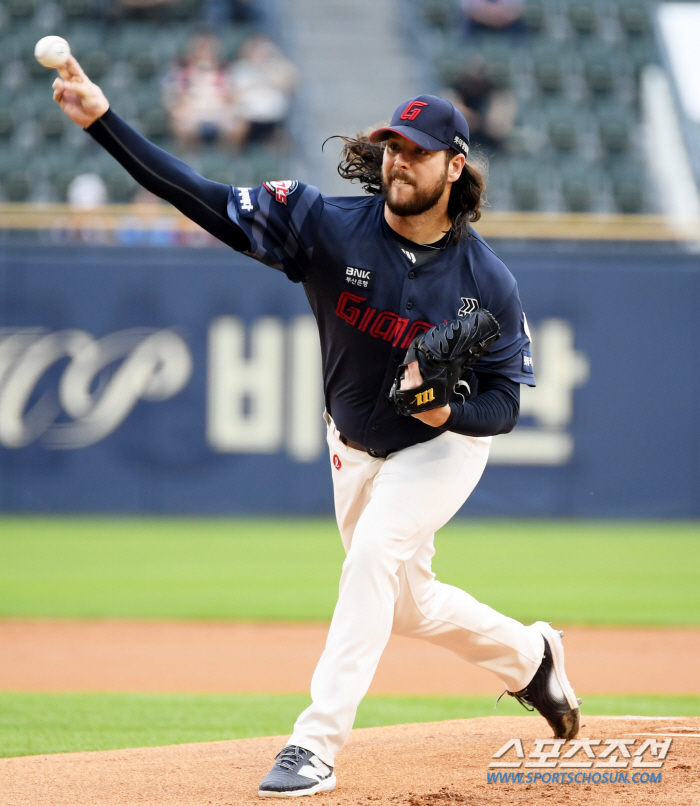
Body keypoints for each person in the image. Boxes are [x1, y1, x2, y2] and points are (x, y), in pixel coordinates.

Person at [51, 57, 581, 798]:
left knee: (371, 558)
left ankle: (315, 745)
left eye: (419, 151)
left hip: (442, 447)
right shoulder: (323, 223)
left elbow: (506, 404)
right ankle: (533, 659)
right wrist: (103, 122)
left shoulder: (485, 281)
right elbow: (199, 197)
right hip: (354, 444)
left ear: (455, 167)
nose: (400, 160)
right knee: (406, 601)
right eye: (394, 146)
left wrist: (447, 411)